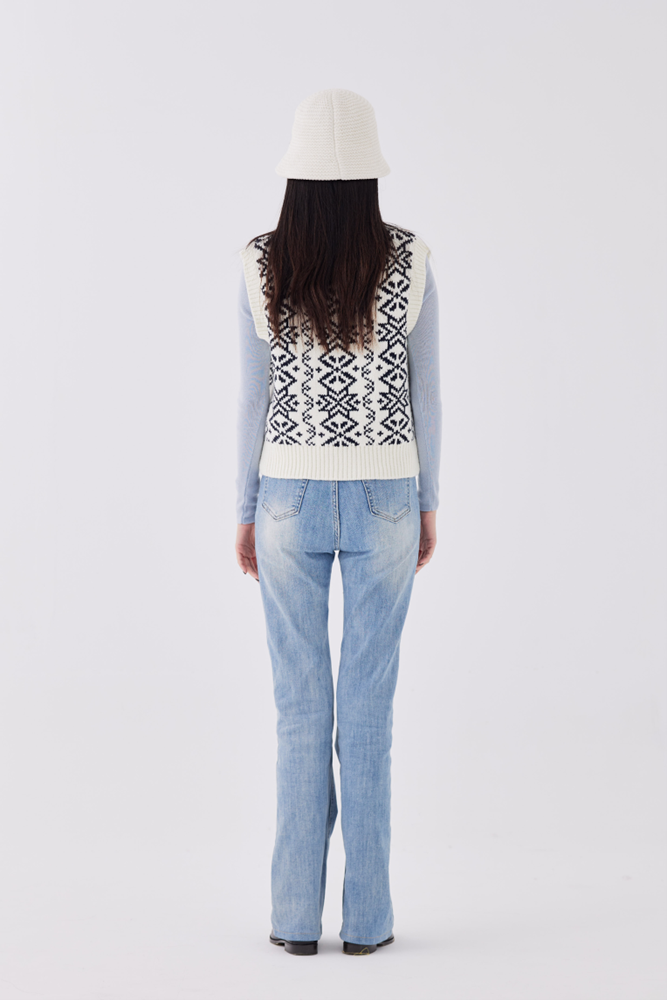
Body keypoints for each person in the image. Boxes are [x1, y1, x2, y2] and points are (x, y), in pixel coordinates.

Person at [234, 89, 442, 957]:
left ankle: (292, 923)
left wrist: (243, 511)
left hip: (284, 494)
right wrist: (427, 502)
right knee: (366, 713)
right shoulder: (409, 256)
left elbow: (252, 399)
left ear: (295, 175)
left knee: (298, 711)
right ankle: (367, 923)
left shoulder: (262, 259)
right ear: (367, 175)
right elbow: (425, 392)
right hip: (388, 491)